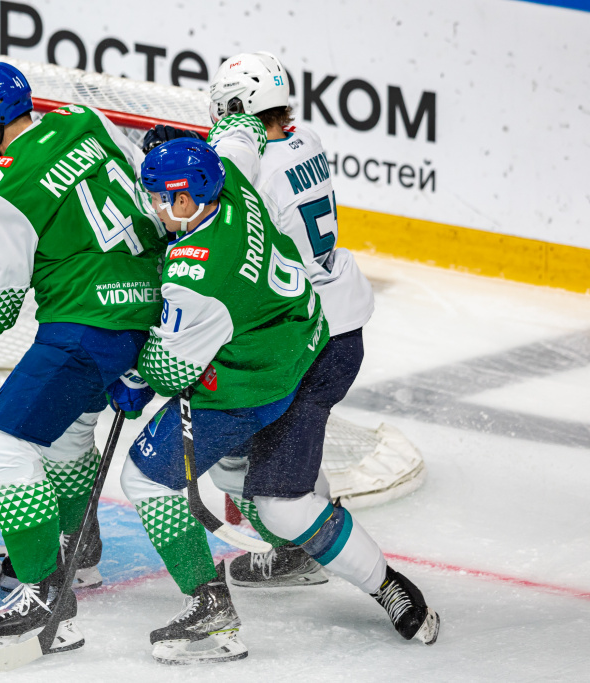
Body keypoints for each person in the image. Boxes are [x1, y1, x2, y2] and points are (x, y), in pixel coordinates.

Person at [118, 139, 439, 665]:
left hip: (262, 379)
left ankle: (212, 607)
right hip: (301, 342)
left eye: (159, 198)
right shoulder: (232, 177)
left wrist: (136, 364)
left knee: (157, 480)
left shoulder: (197, 277)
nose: (153, 208)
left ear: (186, 200)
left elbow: (170, 370)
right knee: (238, 471)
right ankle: (327, 560)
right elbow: (241, 128)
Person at [0, 61, 167, 654]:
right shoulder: (86, 120)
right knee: (67, 437)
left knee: (4, 443)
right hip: (153, 309)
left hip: (89, 328)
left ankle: (43, 594)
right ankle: (80, 552)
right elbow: (154, 202)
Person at [197, 51, 377, 588]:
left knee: (244, 458)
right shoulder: (307, 140)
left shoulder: (252, 175)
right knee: (286, 443)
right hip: (338, 312)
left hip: (298, 332)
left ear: (236, 108)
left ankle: (299, 549)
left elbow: (227, 243)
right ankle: (305, 537)